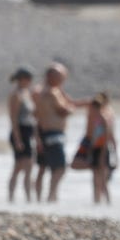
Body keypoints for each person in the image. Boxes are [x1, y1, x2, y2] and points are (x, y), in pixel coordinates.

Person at [33, 62, 87, 203]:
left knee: (43, 167)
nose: (63, 81)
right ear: (52, 76)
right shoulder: (52, 92)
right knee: (60, 168)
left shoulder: (39, 91)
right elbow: (64, 110)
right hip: (54, 134)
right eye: (61, 78)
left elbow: (36, 114)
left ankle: (37, 201)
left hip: (43, 133)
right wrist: (72, 109)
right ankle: (52, 196)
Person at [6, 66, 37, 203]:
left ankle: (28, 198)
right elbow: (13, 118)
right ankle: (13, 197)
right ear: (22, 79)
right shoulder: (16, 95)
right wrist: (18, 139)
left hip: (28, 132)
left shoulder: (26, 93)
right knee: (19, 167)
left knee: (27, 166)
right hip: (20, 133)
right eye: (28, 79)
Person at [84, 92, 118, 205]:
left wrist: (104, 155)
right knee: (95, 179)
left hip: (103, 150)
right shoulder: (95, 119)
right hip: (95, 148)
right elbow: (93, 136)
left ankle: (108, 204)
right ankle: (96, 203)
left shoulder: (104, 118)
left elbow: (108, 137)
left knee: (103, 180)